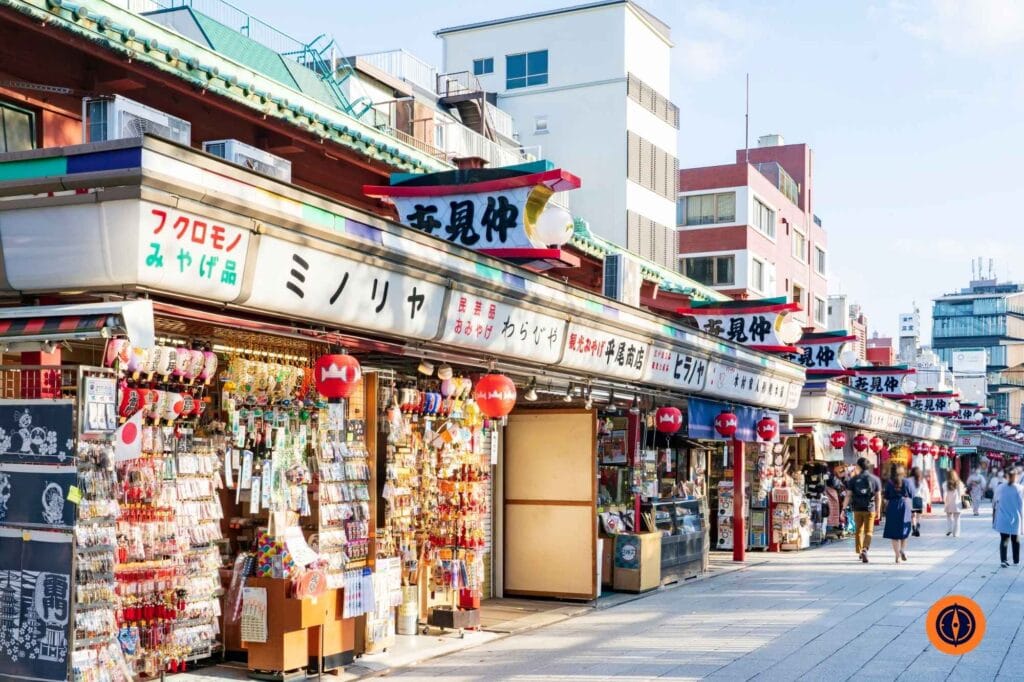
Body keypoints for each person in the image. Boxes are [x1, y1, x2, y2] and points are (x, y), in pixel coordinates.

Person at [843, 457, 882, 563]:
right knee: (869, 531)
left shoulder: (853, 480)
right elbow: (878, 496)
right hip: (870, 508)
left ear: (858, 467)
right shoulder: (875, 479)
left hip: (857, 508)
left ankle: (860, 551)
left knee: (858, 531)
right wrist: (878, 510)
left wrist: (843, 509)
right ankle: (865, 549)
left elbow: (848, 495)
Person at [993, 468, 1024, 567]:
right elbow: (1021, 505)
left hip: (1003, 517)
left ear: (1006, 476)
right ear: (1017, 477)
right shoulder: (1020, 488)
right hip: (1016, 518)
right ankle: (1016, 560)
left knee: (1004, 539)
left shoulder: (1000, 487)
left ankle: (1003, 560)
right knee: (1016, 540)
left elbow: (995, 501)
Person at [882, 464, 913, 564]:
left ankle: (897, 556)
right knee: (904, 529)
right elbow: (912, 494)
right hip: (905, 506)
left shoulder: (890, 483)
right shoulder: (907, 482)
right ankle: (902, 550)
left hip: (893, 507)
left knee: (894, 533)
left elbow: (886, 496)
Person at [906, 466, 929, 537]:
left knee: (913, 515)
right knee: (918, 515)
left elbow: (906, 490)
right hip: (919, 499)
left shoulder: (908, 480)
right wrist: (927, 500)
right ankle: (918, 527)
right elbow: (925, 491)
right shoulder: (922, 480)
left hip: (911, 499)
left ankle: (914, 528)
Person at [944, 470, 966, 537]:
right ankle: (955, 533)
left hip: (948, 503)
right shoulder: (959, 483)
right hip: (957, 503)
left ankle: (949, 529)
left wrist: (945, 502)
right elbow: (961, 494)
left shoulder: (945, 484)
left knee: (949, 517)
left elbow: (944, 494)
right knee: (957, 519)